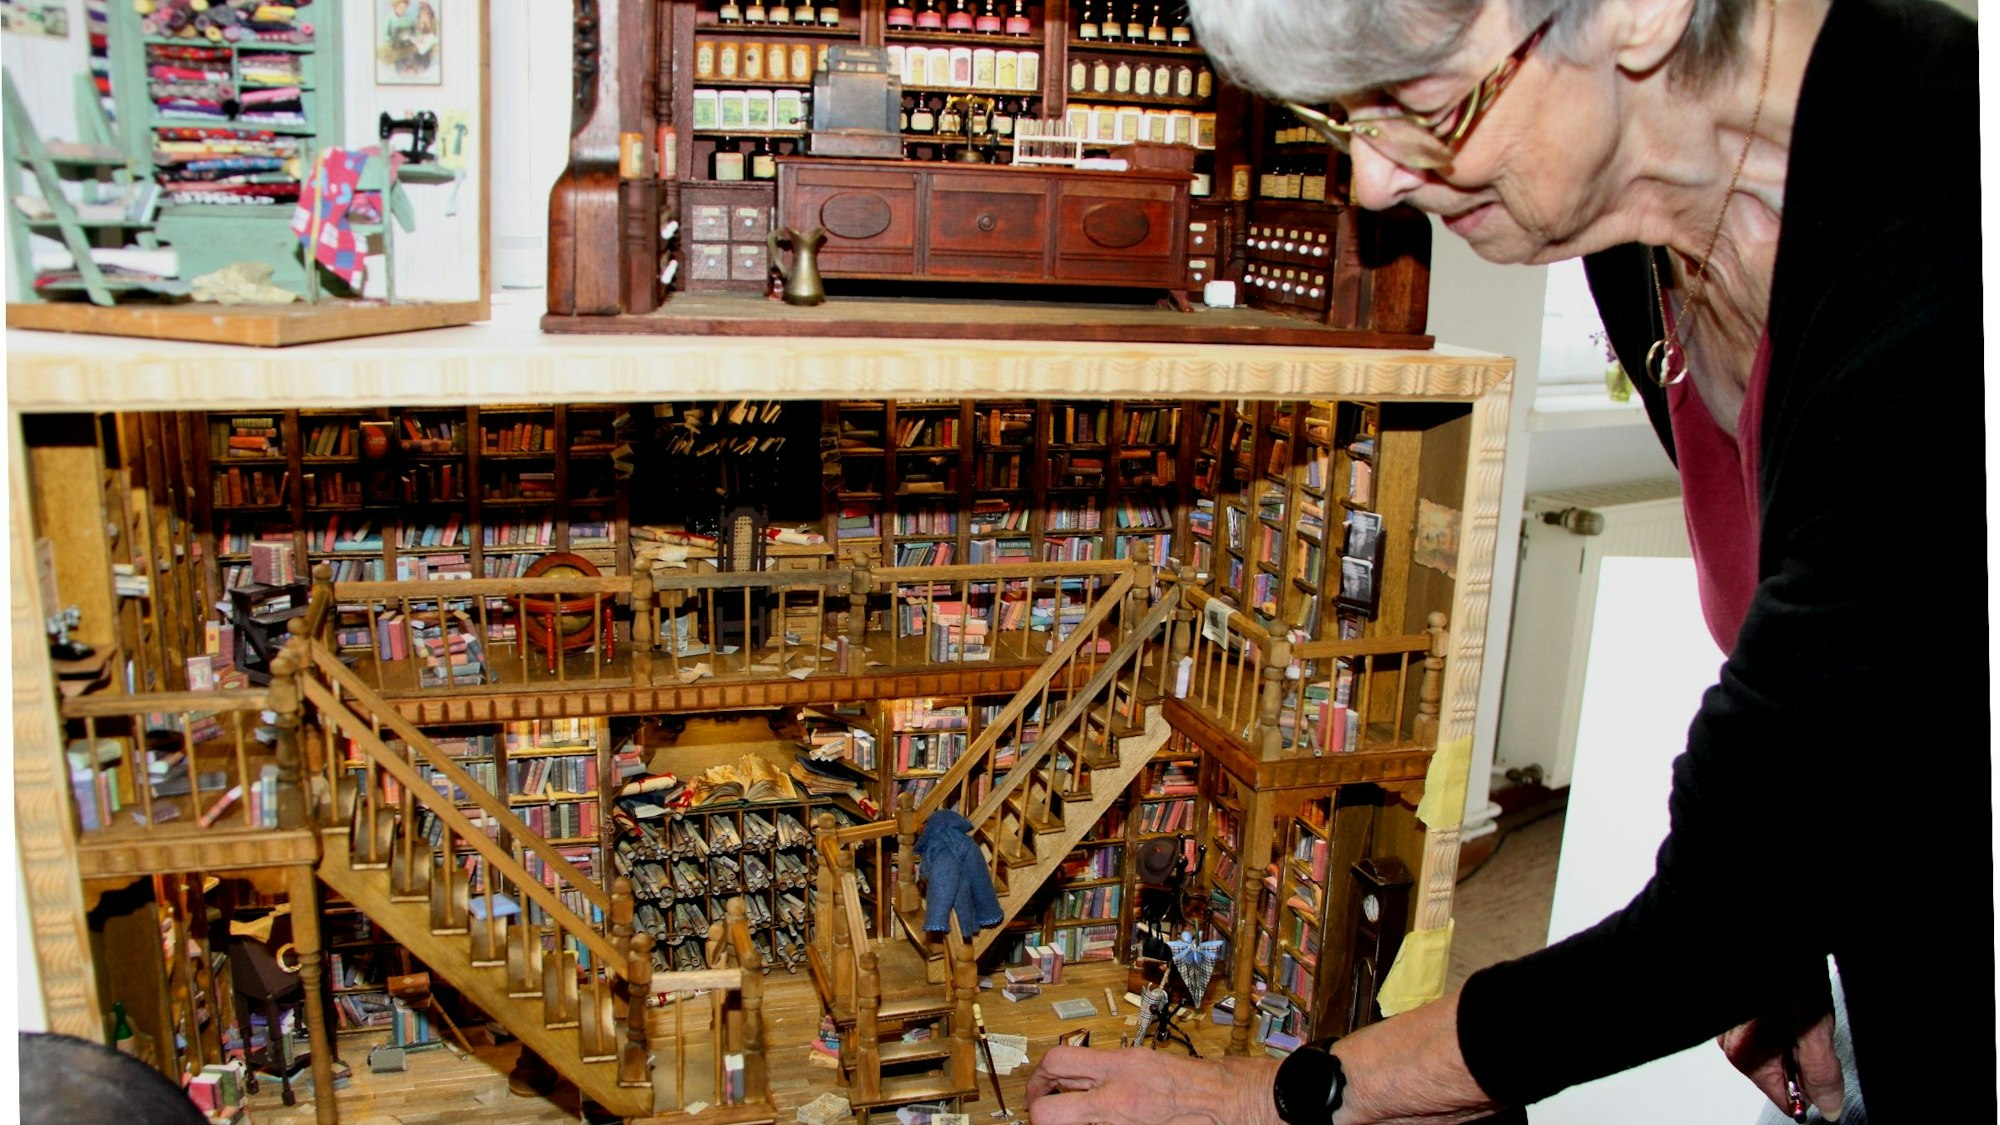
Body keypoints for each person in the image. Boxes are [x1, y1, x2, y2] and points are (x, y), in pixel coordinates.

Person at [1025, 0, 1989, 1121]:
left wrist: (1272, 1096)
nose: (1374, 185)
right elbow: (1846, 680)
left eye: (1420, 105)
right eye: (1341, 119)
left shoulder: (1947, 212)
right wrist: (1794, 923)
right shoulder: (1639, 231)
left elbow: (1718, 909)